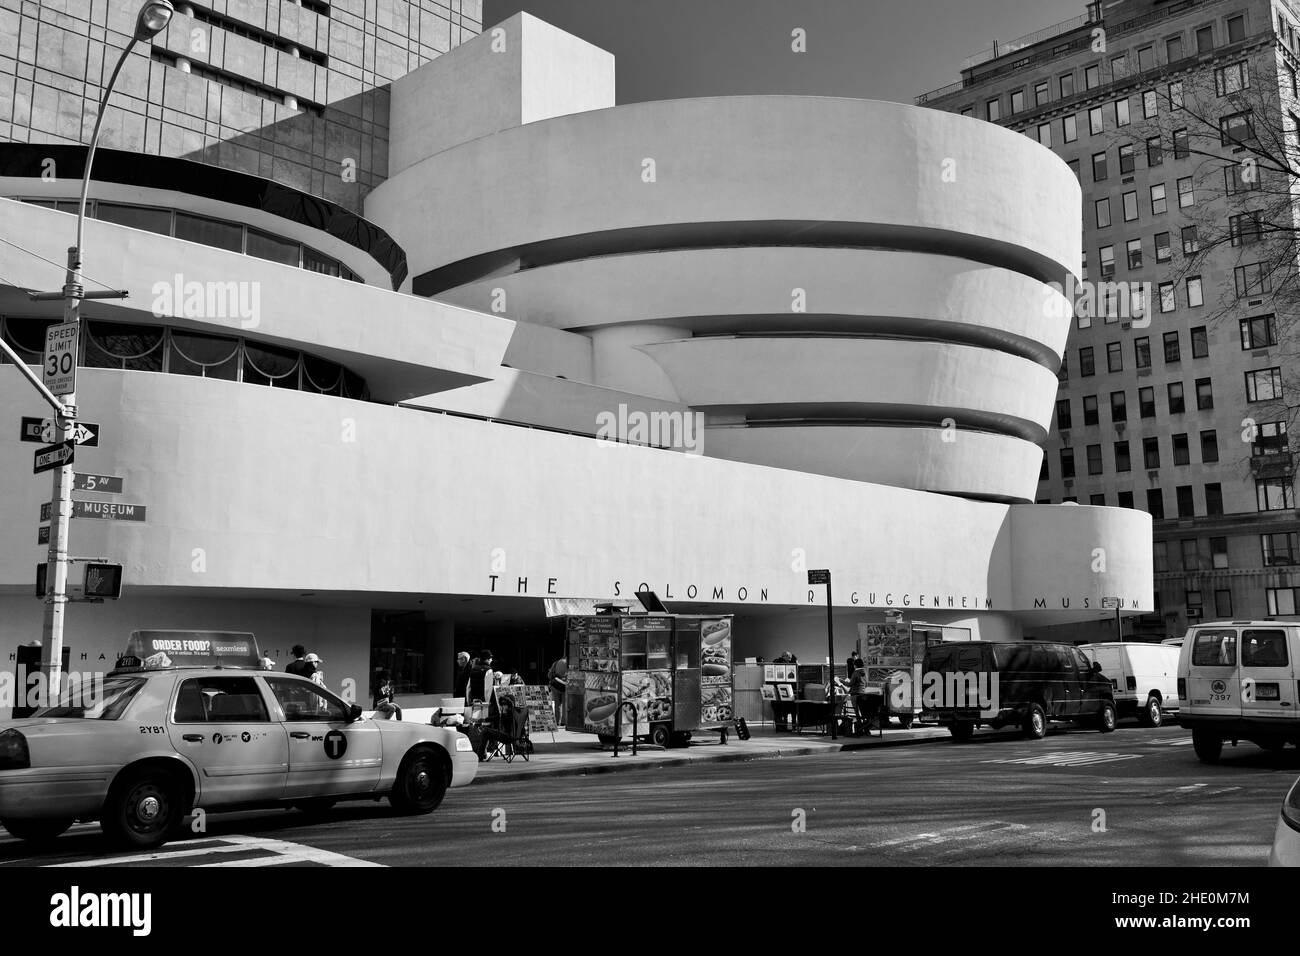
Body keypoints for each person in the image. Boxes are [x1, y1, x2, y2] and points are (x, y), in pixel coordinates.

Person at [547, 656, 568, 724]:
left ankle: (556, 720)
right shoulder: (568, 663)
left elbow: (550, 674)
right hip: (565, 686)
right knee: (565, 705)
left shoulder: (556, 663)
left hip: (556, 685)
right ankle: (563, 721)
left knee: (557, 705)